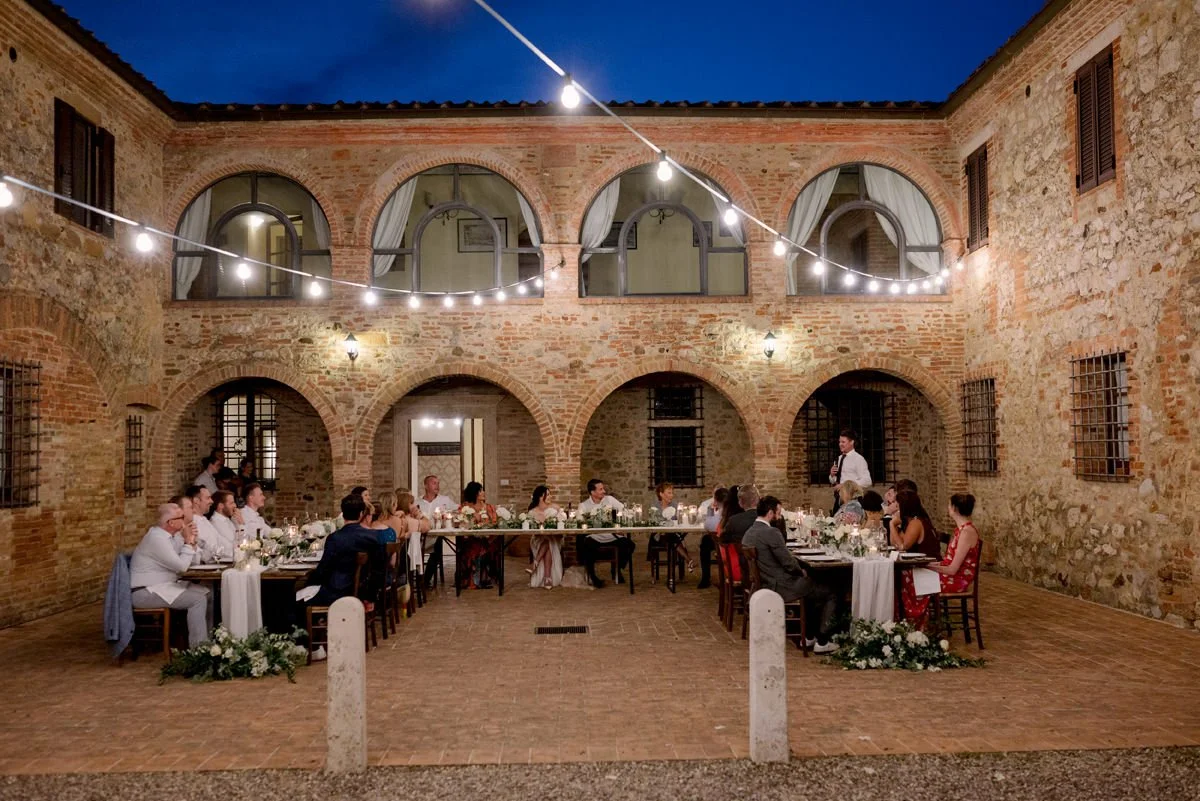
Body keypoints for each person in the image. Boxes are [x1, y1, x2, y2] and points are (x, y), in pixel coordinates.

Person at [740, 496, 838, 653]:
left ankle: (809, 636)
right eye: (779, 513)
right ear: (771, 513)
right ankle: (823, 640)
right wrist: (801, 571)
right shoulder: (771, 532)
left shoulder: (749, 533)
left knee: (813, 589)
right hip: (781, 586)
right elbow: (788, 563)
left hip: (765, 583)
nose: (780, 517)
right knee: (830, 591)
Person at [130, 503, 211, 646]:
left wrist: (192, 541)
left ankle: (209, 639)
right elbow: (182, 567)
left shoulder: (173, 537)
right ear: (171, 522)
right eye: (181, 517)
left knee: (207, 593)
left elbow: (194, 560)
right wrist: (188, 541)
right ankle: (199, 649)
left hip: (164, 586)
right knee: (197, 600)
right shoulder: (156, 539)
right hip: (146, 591)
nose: (185, 520)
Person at [901, 494, 981, 630]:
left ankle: (917, 626)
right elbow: (947, 562)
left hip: (956, 579)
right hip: (950, 574)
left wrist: (928, 567)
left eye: (949, 505)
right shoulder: (960, 530)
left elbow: (952, 569)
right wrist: (926, 565)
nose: (948, 508)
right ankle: (913, 624)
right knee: (907, 575)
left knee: (913, 581)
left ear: (954, 508)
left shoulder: (967, 533)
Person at [302, 493, 387, 609]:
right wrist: (370, 597)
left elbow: (323, 570)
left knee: (292, 599)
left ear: (343, 514)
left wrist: (306, 583)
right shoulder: (375, 537)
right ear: (362, 514)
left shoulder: (335, 538)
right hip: (361, 593)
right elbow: (379, 569)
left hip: (335, 594)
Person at [575, 479, 634, 588]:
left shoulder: (609, 500)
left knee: (629, 544)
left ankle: (616, 569)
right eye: (600, 489)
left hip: (610, 534)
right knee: (587, 545)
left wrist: (619, 523)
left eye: (603, 489)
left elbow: (624, 509)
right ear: (593, 492)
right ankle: (593, 576)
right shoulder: (584, 506)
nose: (604, 491)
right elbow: (579, 522)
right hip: (593, 536)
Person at [457, 481, 501, 590]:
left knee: (488, 545)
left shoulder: (489, 507)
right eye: (481, 490)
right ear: (475, 493)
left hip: (487, 539)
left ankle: (484, 578)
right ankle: (472, 580)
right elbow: (460, 522)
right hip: (470, 539)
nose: (484, 493)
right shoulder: (465, 507)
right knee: (473, 546)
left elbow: (494, 523)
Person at [648, 481, 694, 579]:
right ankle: (688, 560)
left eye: (672, 493)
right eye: (669, 493)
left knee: (671, 540)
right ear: (661, 494)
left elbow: (679, 521)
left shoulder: (675, 505)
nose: (671, 495)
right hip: (658, 537)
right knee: (671, 540)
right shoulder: (654, 506)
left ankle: (671, 577)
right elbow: (653, 522)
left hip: (672, 535)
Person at [416, 475, 456, 586]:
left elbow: (457, 510)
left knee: (438, 546)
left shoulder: (444, 500)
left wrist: (448, 517)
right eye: (434, 483)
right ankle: (413, 577)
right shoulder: (417, 502)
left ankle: (425, 580)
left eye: (438, 483)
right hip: (420, 537)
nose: (437, 486)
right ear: (425, 485)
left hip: (436, 536)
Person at [721, 482, 760, 581]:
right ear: (758, 500)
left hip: (744, 569)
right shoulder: (766, 519)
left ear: (740, 503)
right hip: (765, 569)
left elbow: (723, 539)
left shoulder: (734, 520)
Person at [526, 485, 563, 589]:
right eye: (548, 494)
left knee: (548, 541)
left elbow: (562, 523)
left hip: (554, 538)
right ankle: (547, 577)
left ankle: (534, 564)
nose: (550, 496)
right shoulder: (532, 512)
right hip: (538, 539)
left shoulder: (555, 508)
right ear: (541, 496)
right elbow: (530, 530)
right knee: (547, 542)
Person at [889, 489, 941, 560]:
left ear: (904, 507)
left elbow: (903, 547)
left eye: (898, 507)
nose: (896, 511)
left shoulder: (916, 522)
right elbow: (895, 544)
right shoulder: (909, 522)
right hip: (916, 563)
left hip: (927, 565)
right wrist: (894, 526)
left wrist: (891, 524)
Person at [829, 428, 872, 513]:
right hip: (839, 498)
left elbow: (867, 481)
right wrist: (832, 475)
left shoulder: (858, 459)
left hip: (853, 499)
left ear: (852, 442)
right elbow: (835, 481)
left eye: (843, 442)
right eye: (839, 442)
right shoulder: (839, 458)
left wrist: (845, 486)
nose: (840, 444)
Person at [185, 484, 231, 560]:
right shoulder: (193, 523)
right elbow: (208, 548)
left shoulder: (204, 519)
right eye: (208, 498)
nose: (212, 501)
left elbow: (220, 540)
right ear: (196, 501)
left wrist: (239, 549)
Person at [396, 492, 430, 589]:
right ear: (406, 505)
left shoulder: (396, 518)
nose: (414, 505)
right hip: (404, 563)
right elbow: (427, 526)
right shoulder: (409, 521)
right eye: (411, 503)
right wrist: (421, 516)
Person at [696, 486, 728, 589]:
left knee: (705, 540)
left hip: (724, 542)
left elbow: (708, 525)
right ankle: (706, 577)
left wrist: (710, 510)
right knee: (706, 541)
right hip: (727, 541)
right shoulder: (733, 510)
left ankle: (706, 578)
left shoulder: (722, 511)